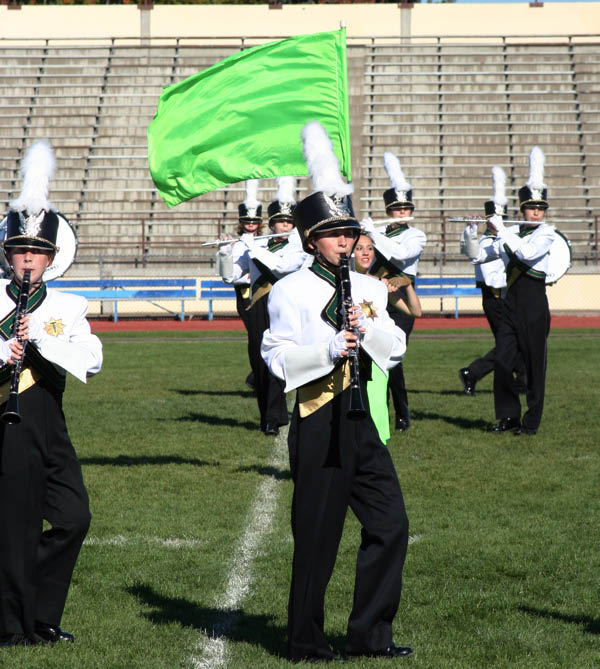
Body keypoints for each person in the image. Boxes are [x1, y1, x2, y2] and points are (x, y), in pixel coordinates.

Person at [262, 122, 412, 663]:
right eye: (334, 233)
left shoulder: (370, 287)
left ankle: (370, 634)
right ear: (311, 240)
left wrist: (365, 329)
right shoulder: (290, 289)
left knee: (391, 524)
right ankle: (305, 640)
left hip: (360, 422)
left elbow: (394, 349)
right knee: (318, 540)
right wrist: (327, 350)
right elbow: (274, 356)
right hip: (317, 417)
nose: (345, 241)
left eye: (349, 232)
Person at [0, 140, 103, 647]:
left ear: (51, 256)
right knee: (15, 528)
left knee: (73, 517)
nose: (28, 259)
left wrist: (40, 338)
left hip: (49, 420)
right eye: (20, 250)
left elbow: (92, 358)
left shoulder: (69, 303)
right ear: (8, 254)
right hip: (7, 421)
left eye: (37, 251)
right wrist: (5, 353)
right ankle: (17, 628)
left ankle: (37, 610)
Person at [463, 146, 555, 435]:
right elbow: (477, 256)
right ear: (522, 209)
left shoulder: (546, 233)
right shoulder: (510, 232)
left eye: (540, 209)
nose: (536, 213)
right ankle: (508, 417)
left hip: (534, 303)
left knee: (534, 364)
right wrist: (470, 232)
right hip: (510, 304)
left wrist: (501, 230)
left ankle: (532, 421)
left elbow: (526, 255)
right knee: (503, 360)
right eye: (531, 208)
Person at [219, 177, 307, 436]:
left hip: (285, 305)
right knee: (258, 362)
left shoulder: (298, 246)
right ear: (272, 223)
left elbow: (282, 267)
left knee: (280, 359)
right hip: (258, 306)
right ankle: (265, 417)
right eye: (281, 221)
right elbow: (231, 276)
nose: (285, 225)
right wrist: (226, 252)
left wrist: (253, 249)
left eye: (289, 222)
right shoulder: (257, 244)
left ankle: (274, 418)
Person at [360, 152, 426, 432]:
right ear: (389, 211)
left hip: (400, 300)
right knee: (369, 352)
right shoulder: (377, 233)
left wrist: (373, 235)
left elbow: (399, 256)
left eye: (405, 208)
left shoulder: (416, 235)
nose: (401, 213)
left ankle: (401, 411)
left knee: (393, 357)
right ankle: (376, 411)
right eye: (397, 209)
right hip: (374, 297)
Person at [458, 167, 526, 396]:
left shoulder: (509, 236)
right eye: (493, 220)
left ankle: (521, 381)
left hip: (510, 297)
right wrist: (471, 231)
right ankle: (474, 373)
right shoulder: (484, 241)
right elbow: (472, 255)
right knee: (510, 345)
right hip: (495, 298)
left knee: (515, 344)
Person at [353, 234, 421, 443]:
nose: (366, 253)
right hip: (349, 355)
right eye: (360, 248)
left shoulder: (379, 284)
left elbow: (415, 310)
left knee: (376, 416)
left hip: (374, 357)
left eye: (370, 248)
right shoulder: (341, 280)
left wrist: (407, 284)